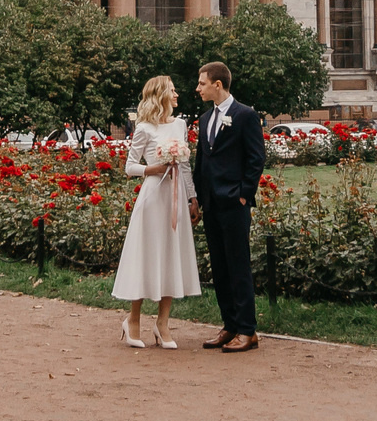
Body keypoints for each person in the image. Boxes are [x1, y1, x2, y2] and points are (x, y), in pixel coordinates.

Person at [112, 75, 202, 347]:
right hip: (153, 197)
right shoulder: (144, 128)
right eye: (173, 91)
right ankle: (134, 319)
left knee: (170, 254)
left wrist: (192, 197)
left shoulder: (180, 125)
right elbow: (130, 167)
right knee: (146, 255)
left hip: (174, 199)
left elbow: (184, 166)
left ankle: (163, 323)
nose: (177, 95)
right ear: (160, 94)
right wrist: (153, 169)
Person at [189, 61, 266, 354]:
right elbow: (201, 162)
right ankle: (229, 325)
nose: (198, 88)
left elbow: (256, 158)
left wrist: (244, 195)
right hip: (211, 204)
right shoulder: (205, 119)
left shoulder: (245, 115)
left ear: (217, 85)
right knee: (220, 267)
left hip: (234, 203)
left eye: (202, 83)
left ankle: (248, 330)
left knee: (238, 266)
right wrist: (196, 198)